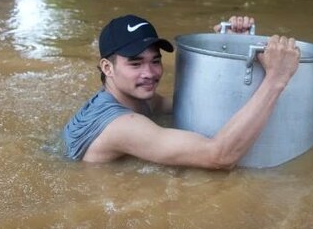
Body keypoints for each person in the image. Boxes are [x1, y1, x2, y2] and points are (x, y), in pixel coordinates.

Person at [63, 14, 300, 170]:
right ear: (107, 67)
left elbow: (194, 108)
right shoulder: (122, 126)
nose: (150, 73)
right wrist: (276, 79)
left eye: (155, 61)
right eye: (135, 64)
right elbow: (219, 156)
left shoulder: (138, 99)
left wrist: (230, 48)